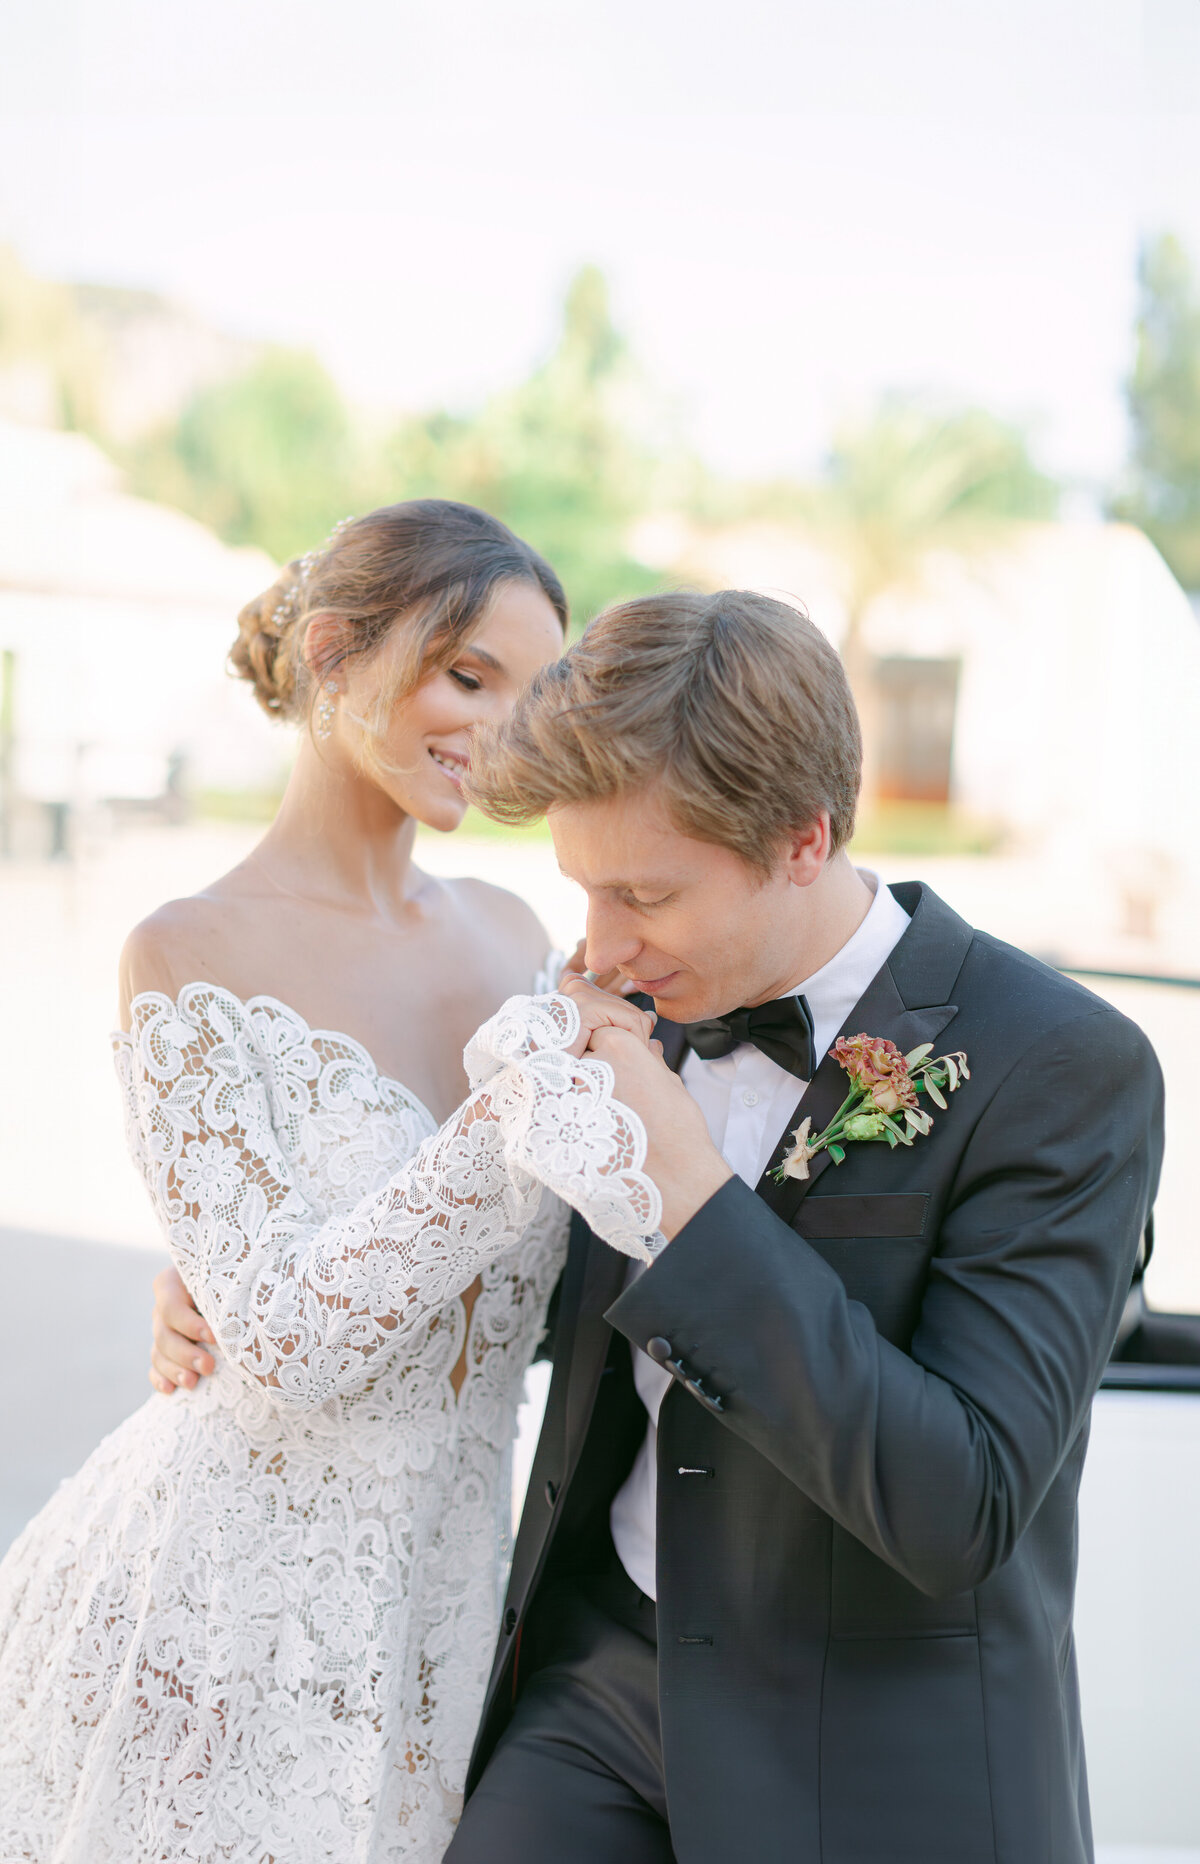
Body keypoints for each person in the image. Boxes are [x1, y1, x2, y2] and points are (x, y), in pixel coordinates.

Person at [438, 588, 1163, 1864]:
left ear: (802, 839)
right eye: (584, 891)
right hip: (597, 1681)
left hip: (876, 1754)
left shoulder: (1063, 1068)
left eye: (646, 896)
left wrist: (689, 1189)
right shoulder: (632, 1004)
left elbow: (963, 1502)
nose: (600, 949)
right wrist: (291, 1287)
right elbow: (547, 1304)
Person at [0, 500, 664, 1864]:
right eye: (463, 675)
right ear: (331, 654)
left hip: (446, 1602)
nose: (494, 727)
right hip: (227, 1590)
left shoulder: (519, 930)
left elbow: (543, 1279)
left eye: (526, 695)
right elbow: (293, 1343)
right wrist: (508, 1113)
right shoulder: (186, 952)